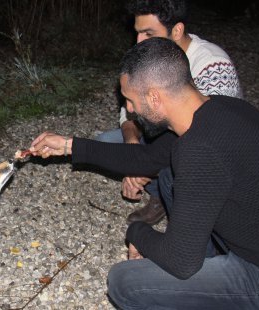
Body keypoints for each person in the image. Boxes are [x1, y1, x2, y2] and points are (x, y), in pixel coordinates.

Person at [28, 37, 259, 309]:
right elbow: (145, 158)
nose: (131, 110)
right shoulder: (218, 109)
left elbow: (181, 261)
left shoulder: (200, 150)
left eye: (131, 100)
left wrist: (137, 234)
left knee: (126, 282)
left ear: (154, 97)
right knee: (169, 177)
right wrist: (69, 145)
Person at [96, 0, 242, 226]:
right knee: (107, 142)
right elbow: (129, 113)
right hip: (160, 134)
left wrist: (143, 166)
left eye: (148, 33)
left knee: (172, 166)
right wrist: (132, 145)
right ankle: (159, 189)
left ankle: (168, 199)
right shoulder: (147, 58)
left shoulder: (212, 65)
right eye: (137, 33)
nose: (139, 42)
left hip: (201, 147)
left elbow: (211, 137)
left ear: (177, 30)